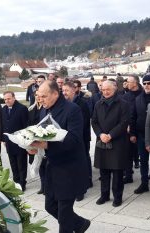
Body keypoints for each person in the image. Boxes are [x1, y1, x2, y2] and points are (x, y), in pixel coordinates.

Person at [29, 80, 90, 233]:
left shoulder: (72, 110)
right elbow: (42, 134)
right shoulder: (44, 110)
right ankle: (81, 224)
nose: (40, 99)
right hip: (52, 166)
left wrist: (47, 145)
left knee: (64, 214)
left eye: (43, 96)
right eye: (38, 96)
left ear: (56, 94)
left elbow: (75, 140)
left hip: (70, 168)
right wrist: (32, 146)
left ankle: (72, 227)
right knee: (50, 206)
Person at [92, 80, 130, 207]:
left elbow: (124, 123)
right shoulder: (98, 104)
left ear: (115, 89)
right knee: (104, 171)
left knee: (117, 172)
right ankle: (104, 195)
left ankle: (117, 197)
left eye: (108, 89)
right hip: (102, 141)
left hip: (117, 142)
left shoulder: (123, 104)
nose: (106, 92)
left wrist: (111, 135)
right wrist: (100, 134)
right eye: (103, 90)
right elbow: (94, 121)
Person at [62, 82, 92, 200]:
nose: (64, 93)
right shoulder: (64, 104)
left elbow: (83, 123)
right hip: (67, 140)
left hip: (80, 139)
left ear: (74, 91)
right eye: (63, 90)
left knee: (80, 164)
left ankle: (81, 190)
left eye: (67, 90)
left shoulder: (81, 103)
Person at [130, 74, 150, 194]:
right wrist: (132, 133)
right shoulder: (138, 98)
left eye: (149, 83)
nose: (146, 85)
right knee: (143, 160)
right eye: (144, 83)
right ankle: (144, 182)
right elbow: (133, 117)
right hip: (142, 134)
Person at [2, 91, 29, 191]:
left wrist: (24, 140)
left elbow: (26, 126)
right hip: (8, 141)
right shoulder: (4, 109)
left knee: (21, 162)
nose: (7, 101)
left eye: (8, 99)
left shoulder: (22, 109)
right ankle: (16, 181)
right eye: (5, 99)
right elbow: (3, 125)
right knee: (12, 162)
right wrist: (3, 139)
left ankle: (22, 183)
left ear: (14, 98)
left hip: (19, 140)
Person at [121, 75, 142, 183]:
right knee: (128, 153)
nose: (126, 84)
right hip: (129, 128)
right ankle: (128, 175)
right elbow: (124, 113)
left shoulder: (143, 94)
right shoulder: (126, 96)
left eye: (129, 82)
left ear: (135, 83)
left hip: (142, 127)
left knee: (144, 153)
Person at [27, 91, 46, 194]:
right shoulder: (31, 109)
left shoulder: (46, 108)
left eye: (40, 95)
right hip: (34, 139)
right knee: (38, 164)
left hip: (44, 139)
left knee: (45, 164)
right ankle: (42, 186)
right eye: (36, 96)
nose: (38, 98)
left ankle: (47, 186)